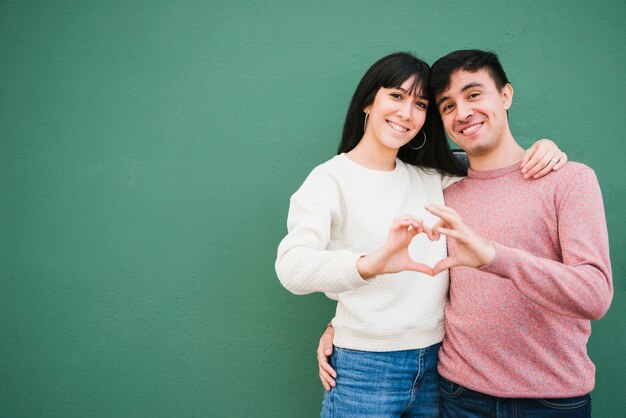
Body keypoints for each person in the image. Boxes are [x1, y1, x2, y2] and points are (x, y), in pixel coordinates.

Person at [317, 50, 612, 417]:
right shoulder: (440, 189)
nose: (463, 113)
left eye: (474, 95)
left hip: (551, 399)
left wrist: (494, 257)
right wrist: (341, 326)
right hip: (459, 396)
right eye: (447, 106)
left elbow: (595, 296)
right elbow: (413, 274)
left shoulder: (568, 180)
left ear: (505, 95)